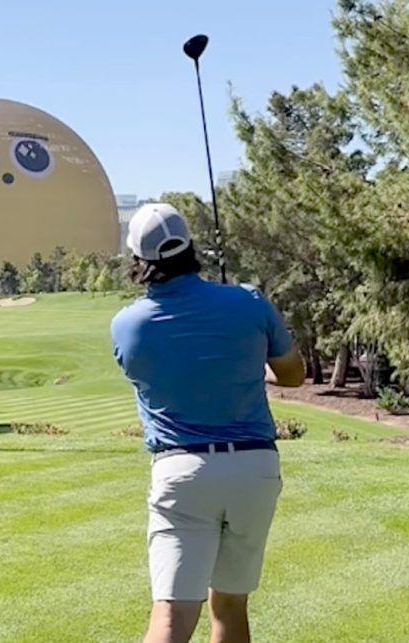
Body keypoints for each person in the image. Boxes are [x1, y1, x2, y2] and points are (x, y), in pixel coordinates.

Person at [110, 203, 304, 643]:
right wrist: (256, 365)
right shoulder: (249, 301)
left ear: (139, 262)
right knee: (231, 604)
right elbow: (293, 374)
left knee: (172, 614)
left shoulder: (127, 325)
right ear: (191, 247)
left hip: (181, 471)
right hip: (254, 470)